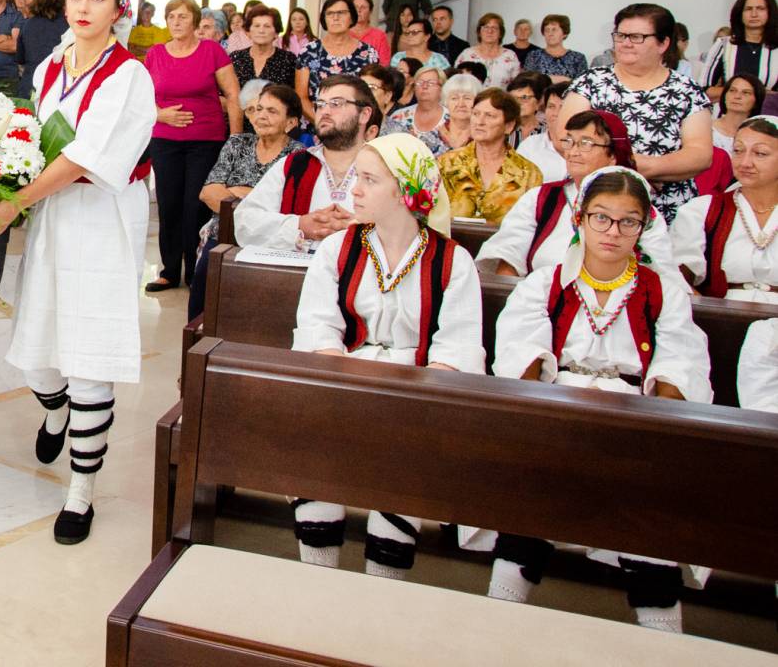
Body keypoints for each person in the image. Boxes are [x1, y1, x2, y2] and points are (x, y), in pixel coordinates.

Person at [487, 168, 709, 632]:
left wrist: (651, 432)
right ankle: (499, 625)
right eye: (601, 218)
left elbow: (679, 365)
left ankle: (664, 643)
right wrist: (545, 421)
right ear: (580, 218)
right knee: (527, 500)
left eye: (628, 221)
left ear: (644, 226)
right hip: (556, 412)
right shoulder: (546, 283)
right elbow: (521, 357)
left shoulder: (661, 290)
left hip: (635, 420)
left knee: (650, 516)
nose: (613, 232)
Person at [0, 0, 155, 546]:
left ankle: (80, 490)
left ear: (119, 9)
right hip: (54, 216)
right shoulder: (51, 66)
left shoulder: (129, 75)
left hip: (101, 221)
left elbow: (85, 156)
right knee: (37, 352)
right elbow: (33, 139)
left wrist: (15, 201)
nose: (84, 7)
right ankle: (54, 408)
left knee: (89, 356)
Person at [292, 133, 484, 580]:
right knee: (318, 446)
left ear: (404, 192)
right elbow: (318, 326)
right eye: (356, 177)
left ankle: (384, 581)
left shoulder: (452, 261)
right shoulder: (338, 248)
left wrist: (408, 402)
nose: (354, 190)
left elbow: (456, 346)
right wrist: (346, 386)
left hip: (415, 395)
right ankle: (319, 576)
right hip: (344, 381)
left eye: (369, 180)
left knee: (404, 459)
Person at [561, 4, 712, 223]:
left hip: (667, 210)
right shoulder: (589, 82)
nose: (625, 43)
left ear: (663, 43)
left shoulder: (687, 90)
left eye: (636, 37)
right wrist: (629, 170)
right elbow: (565, 139)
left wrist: (645, 168)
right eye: (620, 35)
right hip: (596, 205)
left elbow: (700, 154)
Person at [480, 109, 666, 276]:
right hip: (541, 297)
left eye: (586, 143)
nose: (573, 152)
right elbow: (507, 256)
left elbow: (661, 272)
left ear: (612, 155)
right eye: (569, 142)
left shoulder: (639, 211)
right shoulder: (541, 198)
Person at [145, 0, 241, 293]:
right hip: (165, 140)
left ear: (195, 21)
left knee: (195, 206)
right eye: (171, 16)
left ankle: (196, 269)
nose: (176, 22)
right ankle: (169, 271)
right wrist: (160, 114)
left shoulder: (211, 51)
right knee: (169, 204)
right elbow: (140, 98)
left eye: (183, 17)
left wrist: (236, 141)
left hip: (205, 141)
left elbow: (233, 96)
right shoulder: (155, 54)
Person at [187, 83, 303, 318]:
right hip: (223, 233)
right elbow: (208, 192)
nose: (261, 116)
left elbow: (284, 207)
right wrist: (257, 198)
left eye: (272, 111)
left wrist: (235, 192)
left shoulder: (298, 155)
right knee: (203, 283)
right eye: (258, 109)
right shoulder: (237, 143)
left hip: (268, 240)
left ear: (291, 123)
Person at [234, 75, 377, 251]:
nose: (325, 111)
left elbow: (405, 227)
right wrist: (299, 225)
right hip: (298, 267)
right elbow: (244, 222)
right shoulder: (293, 165)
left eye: (336, 103)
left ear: (364, 114)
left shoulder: (387, 168)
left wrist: (360, 227)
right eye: (320, 104)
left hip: (364, 266)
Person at [676, 115, 778, 304]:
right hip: (720, 317)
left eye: (760, 153)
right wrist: (710, 313)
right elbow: (676, 278)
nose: (745, 162)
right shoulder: (703, 211)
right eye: (738, 151)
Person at [437, 87, 542, 222]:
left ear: (509, 126)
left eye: (489, 116)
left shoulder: (529, 174)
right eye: (475, 114)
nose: (479, 122)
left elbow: (531, 223)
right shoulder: (446, 163)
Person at [228, 5, 309, 116]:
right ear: (248, 32)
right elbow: (224, 96)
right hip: (239, 122)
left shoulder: (288, 60)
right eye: (256, 26)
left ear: (276, 33)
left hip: (276, 123)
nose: (261, 30)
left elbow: (295, 100)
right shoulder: (235, 58)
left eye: (267, 26)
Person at [298, 0, 379, 106]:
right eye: (330, 13)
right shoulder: (308, 52)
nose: (335, 18)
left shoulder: (368, 53)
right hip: (316, 115)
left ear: (352, 17)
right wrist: (321, 116)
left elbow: (372, 95)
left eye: (341, 12)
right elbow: (301, 98)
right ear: (324, 19)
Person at [701, 0, 778, 97]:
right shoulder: (724, 45)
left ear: (770, 13)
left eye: (760, 8)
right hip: (729, 106)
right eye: (748, 9)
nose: (754, 14)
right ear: (740, 14)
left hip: (769, 107)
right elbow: (703, 88)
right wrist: (747, 93)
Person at [15, 0, 69, 98]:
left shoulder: (28, 24)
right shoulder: (70, 25)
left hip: (30, 85)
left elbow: (20, 58)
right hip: (57, 86)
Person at [382, 65, 449, 154]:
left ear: (442, 88)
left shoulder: (451, 119)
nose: (424, 86)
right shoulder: (398, 116)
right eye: (420, 82)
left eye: (431, 83)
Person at [454, 12, 519, 88]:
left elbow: (517, 86)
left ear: (501, 33)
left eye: (494, 28)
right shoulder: (466, 54)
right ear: (479, 32)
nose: (490, 31)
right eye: (486, 27)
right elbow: (455, 82)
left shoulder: (510, 56)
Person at [710, 74, 765, 157]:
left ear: (756, 101)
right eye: (732, 90)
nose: (737, 96)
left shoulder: (762, 136)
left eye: (746, 93)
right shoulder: (705, 129)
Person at [522, 14, 586, 81]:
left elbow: (583, 84)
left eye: (554, 30)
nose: (550, 34)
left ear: (564, 33)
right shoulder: (534, 56)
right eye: (547, 30)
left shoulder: (578, 58)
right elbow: (527, 81)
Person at [348, 0, 390, 65]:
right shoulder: (343, 33)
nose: (359, 10)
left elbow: (384, 64)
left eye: (363, 7)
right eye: (355, 7)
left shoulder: (380, 36)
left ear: (370, 11)